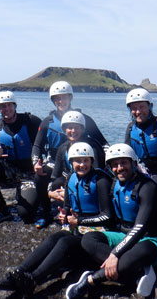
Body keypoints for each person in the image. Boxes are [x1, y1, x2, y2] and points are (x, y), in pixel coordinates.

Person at [0, 142, 113, 297]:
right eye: (78, 161)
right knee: (54, 238)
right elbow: (67, 205)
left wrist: (79, 221)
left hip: (96, 236)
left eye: (86, 160)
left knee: (64, 242)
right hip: (77, 228)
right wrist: (64, 215)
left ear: (92, 161)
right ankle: (20, 272)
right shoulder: (71, 177)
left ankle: (33, 279)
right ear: (71, 162)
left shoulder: (101, 180)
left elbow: (107, 216)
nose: (82, 165)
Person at [66, 144, 157, 299]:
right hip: (123, 236)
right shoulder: (115, 185)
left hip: (152, 241)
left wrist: (115, 254)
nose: (119, 168)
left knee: (141, 251)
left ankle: (90, 280)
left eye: (123, 163)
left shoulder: (147, 187)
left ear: (134, 163)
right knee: (88, 239)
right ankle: (138, 271)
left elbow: (140, 228)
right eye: (114, 165)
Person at [31, 81, 108, 227]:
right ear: (53, 101)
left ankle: (87, 211)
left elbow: (103, 143)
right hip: (56, 162)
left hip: (80, 163)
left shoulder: (84, 119)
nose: (61, 101)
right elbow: (37, 145)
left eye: (64, 97)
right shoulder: (47, 122)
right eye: (57, 98)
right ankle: (47, 213)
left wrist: (111, 160)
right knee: (40, 177)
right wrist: (36, 162)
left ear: (70, 98)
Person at [0, 91, 42, 224]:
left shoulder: (30, 121)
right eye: (2, 106)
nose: (6, 109)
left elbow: (46, 137)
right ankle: (3, 210)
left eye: (9, 105)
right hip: (9, 172)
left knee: (26, 215)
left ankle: (28, 193)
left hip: (29, 174)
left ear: (14, 106)